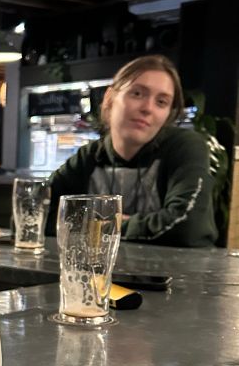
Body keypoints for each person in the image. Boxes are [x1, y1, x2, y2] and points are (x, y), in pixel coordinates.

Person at [47, 55, 218, 247]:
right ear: (110, 98)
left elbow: (187, 226)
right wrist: (127, 223)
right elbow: (40, 213)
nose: (147, 108)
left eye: (161, 102)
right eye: (137, 93)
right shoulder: (90, 157)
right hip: (105, 275)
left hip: (180, 275)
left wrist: (101, 225)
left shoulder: (184, 146)